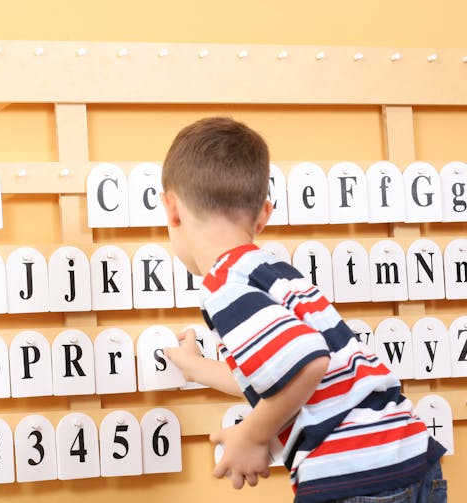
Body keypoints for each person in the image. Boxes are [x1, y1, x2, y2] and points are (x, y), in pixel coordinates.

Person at [160, 117, 447, 503]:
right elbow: (274, 376)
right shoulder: (273, 273)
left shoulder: (223, 285)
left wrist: (253, 435)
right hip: (411, 457)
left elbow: (309, 362)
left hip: (352, 476)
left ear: (172, 209)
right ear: (263, 214)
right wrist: (196, 367)